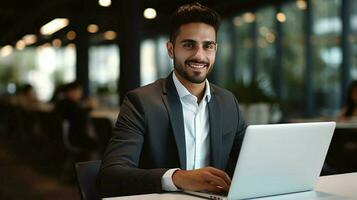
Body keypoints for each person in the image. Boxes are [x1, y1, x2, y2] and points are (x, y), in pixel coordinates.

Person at [97, 2, 247, 197]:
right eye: (189, 45)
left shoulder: (228, 102)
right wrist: (177, 178)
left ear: (215, 50)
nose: (199, 55)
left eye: (207, 46)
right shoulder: (141, 102)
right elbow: (110, 176)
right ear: (170, 49)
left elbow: (251, 163)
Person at [55, 81, 97, 150]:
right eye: (78, 90)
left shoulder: (61, 103)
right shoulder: (71, 106)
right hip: (75, 138)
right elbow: (81, 114)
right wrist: (90, 107)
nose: (80, 93)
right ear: (71, 91)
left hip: (62, 139)